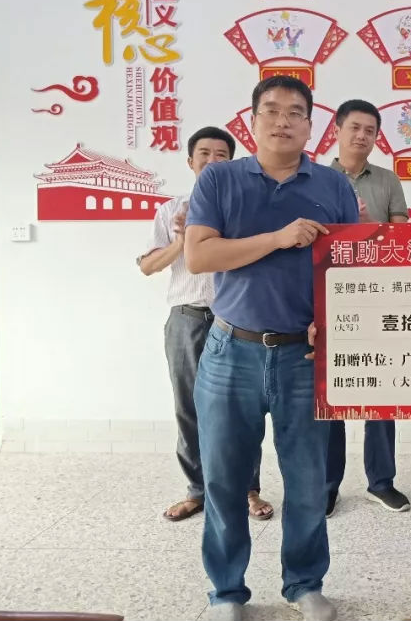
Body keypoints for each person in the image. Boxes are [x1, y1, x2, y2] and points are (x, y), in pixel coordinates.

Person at [184, 76, 358, 621]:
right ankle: (226, 592)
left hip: (304, 357)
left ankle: (304, 584)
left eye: (295, 112)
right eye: (272, 110)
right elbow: (199, 256)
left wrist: (332, 321)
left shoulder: (333, 186)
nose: (283, 121)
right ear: (252, 120)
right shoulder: (219, 179)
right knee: (224, 480)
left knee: (307, 481)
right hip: (229, 351)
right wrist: (279, 238)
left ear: (310, 124)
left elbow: (352, 268)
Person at [137, 127, 273, 524]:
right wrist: (182, 242)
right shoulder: (171, 210)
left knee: (244, 410)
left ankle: (248, 490)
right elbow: (148, 266)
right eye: (204, 154)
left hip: (237, 321)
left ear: (231, 162)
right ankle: (197, 491)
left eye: (221, 155)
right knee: (189, 408)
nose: (212, 161)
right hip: (187, 319)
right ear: (190, 161)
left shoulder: (244, 208)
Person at [326, 98, 411, 517]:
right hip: (327, 296)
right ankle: (327, 484)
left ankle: (381, 482)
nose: (362, 136)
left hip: (379, 296)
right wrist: (348, 230)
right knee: (329, 395)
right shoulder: (316, 179)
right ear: (337, 130)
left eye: (370, 131)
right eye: (354, 128)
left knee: (380, 390)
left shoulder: (388, 180)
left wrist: (366, 229)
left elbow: (402, 240)